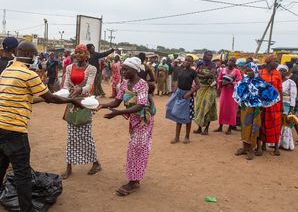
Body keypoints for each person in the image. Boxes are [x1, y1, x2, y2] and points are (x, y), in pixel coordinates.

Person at [0, 41, 83, 211]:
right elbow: (50, 97)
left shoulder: (6, 71)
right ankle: (27, 209)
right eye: (35, 55)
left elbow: (26, 97)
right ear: (30, 55)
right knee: (22, 171)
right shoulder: (28, 74)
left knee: (1, 163)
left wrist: (46, 99)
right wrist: (71, 100)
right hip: (14, 129)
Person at [98, 57, 156, 196]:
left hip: (143, 120)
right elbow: (116, 102)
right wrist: (102, 105)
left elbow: (140, 105)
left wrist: (119, 113)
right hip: (133, 119)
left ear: (135, 70)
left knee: (138, 149)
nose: (122, 71)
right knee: (134, 148)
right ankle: (133, 179)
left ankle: (134, 182)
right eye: (122, 69)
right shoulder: (124, 84)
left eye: (126, 69)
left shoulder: (142, 84)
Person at [61, 44, 102, 179]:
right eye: (77, 53)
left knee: (85, 135)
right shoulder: (69, 67)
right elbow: (66, 83)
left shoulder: (92, 68)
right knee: (71, 136)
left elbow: (89, 84)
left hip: (85, 103)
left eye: (81, 53)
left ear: (87, 55)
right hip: (72, 102)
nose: (78, 55)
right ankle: (69, 166)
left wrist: (81, 90)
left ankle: (96, 163)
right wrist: (67, 92)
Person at [233, 62, 280, 160]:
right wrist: (240, 106)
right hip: (245, 108)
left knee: (253, 129)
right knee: (244, 127)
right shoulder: (244, 81)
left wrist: (261, 105)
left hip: (256, 110)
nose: (247, 72)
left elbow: (272, 93)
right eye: (247, 70)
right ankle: (244, 148)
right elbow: (238, 93)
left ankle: (251, 150)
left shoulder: (260, 82)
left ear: (254, 70)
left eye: (250, 70)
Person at [166, 56, 200, 144]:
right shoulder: (180, 70)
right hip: (179, 94)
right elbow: (178, 81)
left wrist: (190, 93)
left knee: (188, 116)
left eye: (189, 61)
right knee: (178, 115)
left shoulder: (193, 72)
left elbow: (198, 85)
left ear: (192, 62)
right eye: (186, 60)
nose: (187, 62)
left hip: (187, 96)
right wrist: (175, 89)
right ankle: (177, 137)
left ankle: (187, 136)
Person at [256, 55, 282, 156]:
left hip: (275, 104)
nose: (277, 63)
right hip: (262, 103)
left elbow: (280, 90)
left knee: (275, 125)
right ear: (268, 62)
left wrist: (282, 105)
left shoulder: (277, 73)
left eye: (277, 61)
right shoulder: (260, 73)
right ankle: (260, 147)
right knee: (260, 124)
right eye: (275, 61)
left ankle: (276, 147)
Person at [214, 57, 242, 134]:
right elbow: (218, 79)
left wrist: (230, 83)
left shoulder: (237, 71)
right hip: (224, 92)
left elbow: (240, 82)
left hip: (232, 93)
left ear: (234, 63)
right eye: (229, 60)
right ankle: (220, 126)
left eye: (232, 61)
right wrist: (222, 82)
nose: (230, 62)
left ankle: (230, 128)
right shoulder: (223, 70)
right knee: (222, 109)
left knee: (232, 110)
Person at [193, 51, 217, 135]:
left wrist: (201, 74)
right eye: (208, 55)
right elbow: (195, 74)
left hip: (210, 88)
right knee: (199, 107)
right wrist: (205, 74)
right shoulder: (200, 64)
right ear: (204, 55)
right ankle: (199, 127)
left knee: (208, 107)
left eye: (211, 55)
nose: (210, 57)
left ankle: (206, 129)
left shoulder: (213, 65)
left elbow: (212, 75)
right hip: (201, 88)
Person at [278, 64, 298, 150]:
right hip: (276, 104)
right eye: (280, 70)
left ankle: (285, 144)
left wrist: (292, 107)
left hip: (286, 104)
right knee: (277, 123)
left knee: (285, 124)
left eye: (284, 70)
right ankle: (275, 143)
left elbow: (293, 96)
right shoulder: (276, 80)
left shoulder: (291, 82)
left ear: (287, 72)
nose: (282, 72)